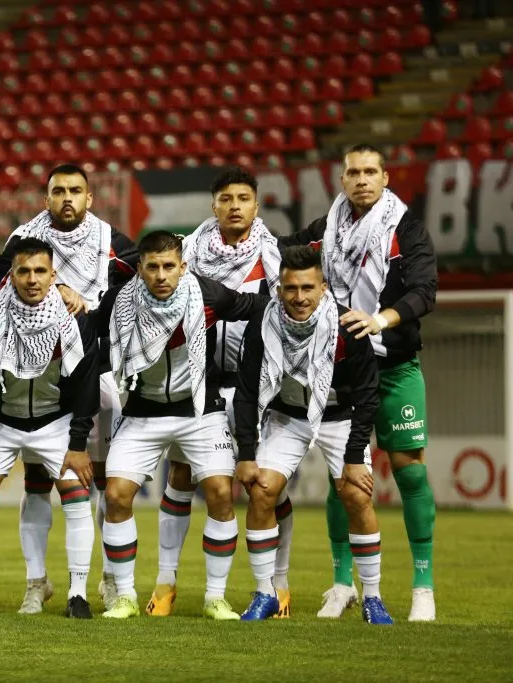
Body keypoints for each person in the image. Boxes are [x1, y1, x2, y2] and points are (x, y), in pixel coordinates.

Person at [280, 144, 438, 622]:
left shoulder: (406, 228)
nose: (362, 179)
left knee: (409, 470)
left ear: (385, 178)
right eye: (353, 172)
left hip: (394, 366)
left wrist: (380, 319)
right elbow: (283, 253)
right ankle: (343, 583)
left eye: (371, 171)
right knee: (342, 478)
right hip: (340, 371)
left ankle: (423, 586)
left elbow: (424, 292)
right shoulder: (327, 229)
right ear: (343, 180)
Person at [0, 162, 138, 613]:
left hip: (100, 371)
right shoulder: (24, 239)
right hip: (40, 373)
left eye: (75, 191)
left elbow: (140, 284)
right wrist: (56, 289)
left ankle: (110, 579)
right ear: (45, 198)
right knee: (36, 482)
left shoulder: (112, 241)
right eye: (58, 191)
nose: (67, 197)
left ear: (89, 199)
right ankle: (38, 581)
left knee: (104, 483)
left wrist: (91, 304)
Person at [96, 230, 268, 620]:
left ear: (183, 266)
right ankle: (124, 596)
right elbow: (90, 339)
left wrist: (249, 364)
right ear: (139, 269)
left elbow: (258, 307)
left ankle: (215, 597)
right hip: (142, 412)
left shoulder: (209, 295)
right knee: (117, 495)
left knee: (221, 493)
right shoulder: (118, 301)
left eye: (169, 266)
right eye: (152, 267)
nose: (161, 275)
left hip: (200, 413)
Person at [152, 167, 295, 618]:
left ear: (257, 205)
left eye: (244, 198)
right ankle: (167, 581)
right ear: (213, 206)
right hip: (200, 384)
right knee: (179, 476)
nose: (235, 205)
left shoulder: (274, 257)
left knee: (264, 486)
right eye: (226, 198)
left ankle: (277, 582)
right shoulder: (187, 252)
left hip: (259, 386)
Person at [233, 245, 393, 624]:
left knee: (356, 495)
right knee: (262, 491)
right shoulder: (262, 324)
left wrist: (355, 457)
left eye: (308, 288)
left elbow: (369, 395)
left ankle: (372, 596)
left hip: (340, 417)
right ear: (278, 290)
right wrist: (246, 451)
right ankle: (265, 593)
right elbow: (246, 391)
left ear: (323, 288)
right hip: (287, 416)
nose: (299, 297)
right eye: (291, 289)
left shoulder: (348, 327)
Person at [0, 237, 99, 619]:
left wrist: (78, 443)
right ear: (12, 274)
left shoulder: (75, 318)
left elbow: (87, 383)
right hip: (1, 424)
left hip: (56, 422)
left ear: (54, 276)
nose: (32, 279)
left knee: (75, 494)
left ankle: (78, 595)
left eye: (40, 271)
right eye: (23, 271)